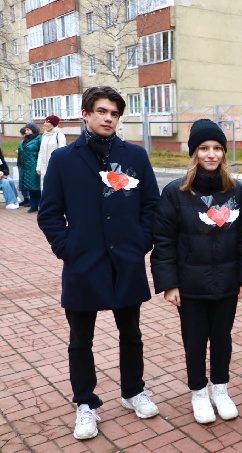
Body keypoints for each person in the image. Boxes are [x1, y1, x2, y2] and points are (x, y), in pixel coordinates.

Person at [37, 86, 161, 440]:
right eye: (102, 111)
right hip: (83, 264)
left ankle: (133, 391)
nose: (109, 118)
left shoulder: (135, 157)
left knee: (131, 334)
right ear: (85, 114)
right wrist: (68, 248)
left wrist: (141, 243)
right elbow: (49, 214)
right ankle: (85, 404)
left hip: (126, 261)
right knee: (80, 340)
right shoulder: (64, 160)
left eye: (115, 114)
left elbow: (150, 204)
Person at [151, 119, 242, 424]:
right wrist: (169, 283)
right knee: (195, 341)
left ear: (224, 153)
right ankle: (199, 392)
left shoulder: (237, 192)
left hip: (227, 283)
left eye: (216, 148)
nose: (211, 154)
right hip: (190, 285)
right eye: (204, 149)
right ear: (194, 153)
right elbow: (164, 240)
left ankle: (221, 390)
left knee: (222, 339)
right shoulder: (175, 193)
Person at [37, 114, 67, 188]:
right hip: (44, 167)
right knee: (44, 188)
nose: (45, 124)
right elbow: (41, 152)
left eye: (47, 122)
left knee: (54, 188)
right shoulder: (44, 135)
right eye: (45, 122)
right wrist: (38, 167)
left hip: (54, 167)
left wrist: (60, 168)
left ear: (53, 124)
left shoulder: (59, 135)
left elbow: (63, 153)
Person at [17, 123, 42, 212]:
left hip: (34, 166)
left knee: (37, 187)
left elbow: (41, 152)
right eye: (26, 130)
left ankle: (40, 205)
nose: (26, 132)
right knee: (30, 187)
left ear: (33, 130)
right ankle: (33, 205)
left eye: (28, 130)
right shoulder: (24, 140)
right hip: (25, 167)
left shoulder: (38, 139)